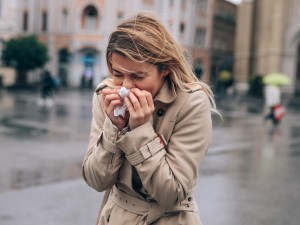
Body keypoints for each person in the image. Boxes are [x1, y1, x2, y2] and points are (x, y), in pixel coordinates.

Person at [82, 12, 217, 225]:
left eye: (137, 76)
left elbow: (172, 193)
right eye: (118, 73)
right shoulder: (105, 96)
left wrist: (140, 130)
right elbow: (96, 180)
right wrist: (114, 128)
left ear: (165, 69)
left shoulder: (191, 103)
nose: (125, 86)